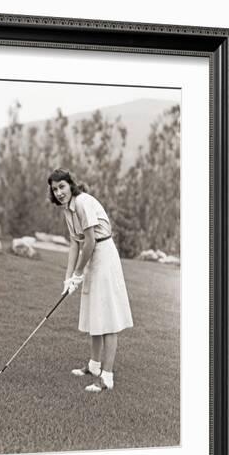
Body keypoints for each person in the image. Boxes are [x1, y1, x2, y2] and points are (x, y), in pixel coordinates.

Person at [47, 168, 133, 392]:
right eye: (55, 189)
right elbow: (75, 243)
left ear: (70, 185)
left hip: (103, 255)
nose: (59, 192)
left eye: (62, 186)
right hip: (92, 254)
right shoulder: (67, 209)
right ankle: (94, 366)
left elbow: (91, 241)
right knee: (94, 310)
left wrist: (78, 273)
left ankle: (107, 377)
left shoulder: (83, 202)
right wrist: (68, 278)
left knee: (107, 315)